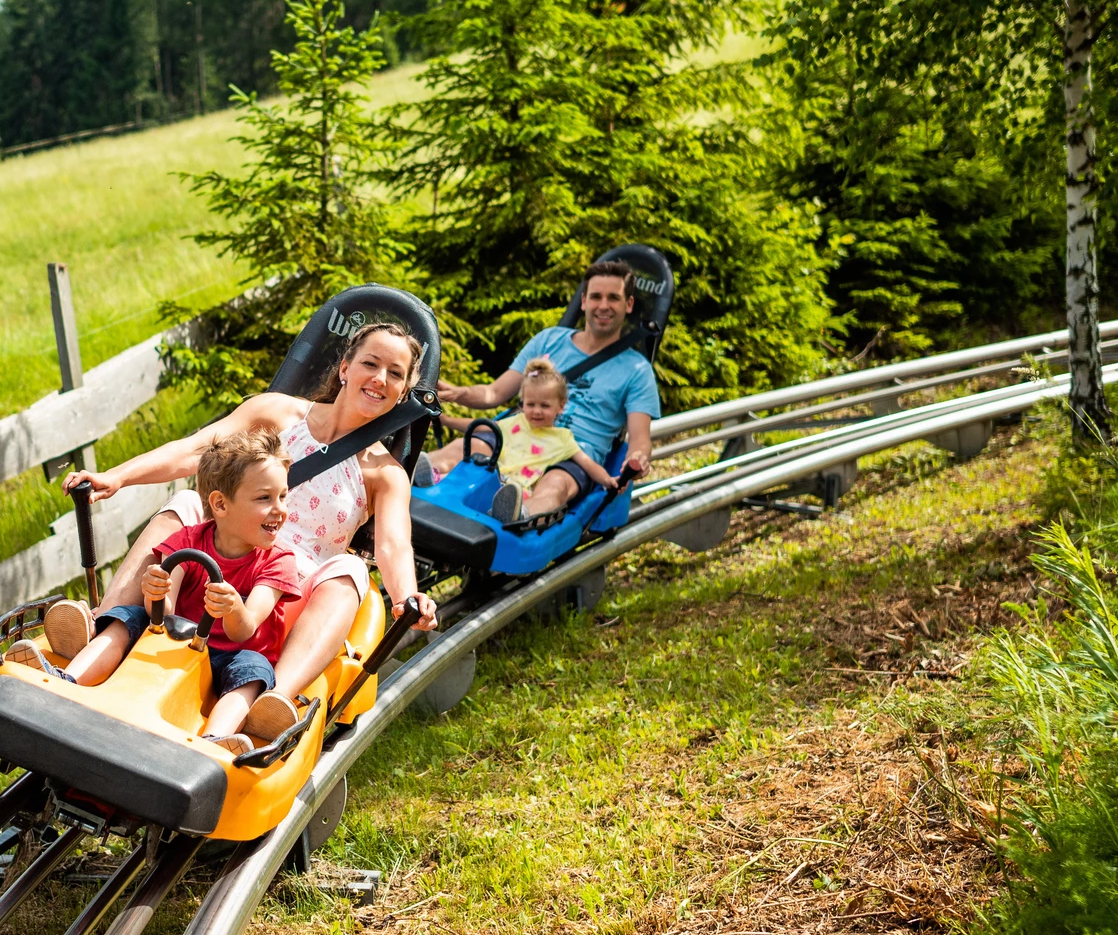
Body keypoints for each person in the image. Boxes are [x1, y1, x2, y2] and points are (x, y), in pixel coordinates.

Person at [46, 320, 440, 744]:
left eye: (395, 374)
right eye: (371, 363)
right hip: (219, 552)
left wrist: (407, 597)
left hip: (284, 590)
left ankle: (269, 702)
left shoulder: (385, 473)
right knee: (186, 501)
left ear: (403, 393)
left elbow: (393, 544)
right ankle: (104, 625)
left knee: (353, 570)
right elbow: (196, 451)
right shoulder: (277, 414)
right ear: (345, 367)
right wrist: (119, 477)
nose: (380, 379)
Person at [9, 431, 304, 752]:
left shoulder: (278, 561)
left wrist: (234, 607)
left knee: (253, 671)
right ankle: (66, 680)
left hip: (233, 657)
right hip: (182, 647)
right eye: (265, 498)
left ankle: (215, 740)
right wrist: (155, 591)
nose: (280, 509)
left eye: (283, 497)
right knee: (128, 617)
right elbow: (161, 615)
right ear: (220, 503)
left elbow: (243, 630)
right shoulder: (188, 540)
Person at [434, 260, 659, 519]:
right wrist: (459, 393)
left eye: (614, 298)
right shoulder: (548, 340)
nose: (604, 305)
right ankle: (421, 477)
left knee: (556, 486)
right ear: (584, 301)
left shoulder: (637, 370)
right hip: (520, 434)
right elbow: (494, 394)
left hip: (574, 452)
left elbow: (640, 437)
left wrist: (638, 458)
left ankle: (516, 515)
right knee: (465, 449)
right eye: (596, 296)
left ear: (628, 305)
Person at [423, 357, 617, 522]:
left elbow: (587, 463)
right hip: (493, 478)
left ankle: (516, 516)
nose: (537, 411)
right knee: (471, 473)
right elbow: (482, 426)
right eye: (531, 404)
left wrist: (609, 481)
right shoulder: (517, 422)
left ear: (561, 406)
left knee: (514, 500)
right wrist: (446, 420)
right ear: (522, 403)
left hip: (517, 491)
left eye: (545, 405)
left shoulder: (563, 438)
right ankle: (429, 478)